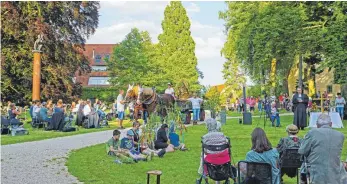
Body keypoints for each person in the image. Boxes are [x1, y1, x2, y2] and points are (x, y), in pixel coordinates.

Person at [299, 113, 347, 184]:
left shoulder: (312, 133)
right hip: (335, 171)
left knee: (303, 167)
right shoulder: (340, 136)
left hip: (315, 171)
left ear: (317, 124)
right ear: (331, 124)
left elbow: (302, 151)